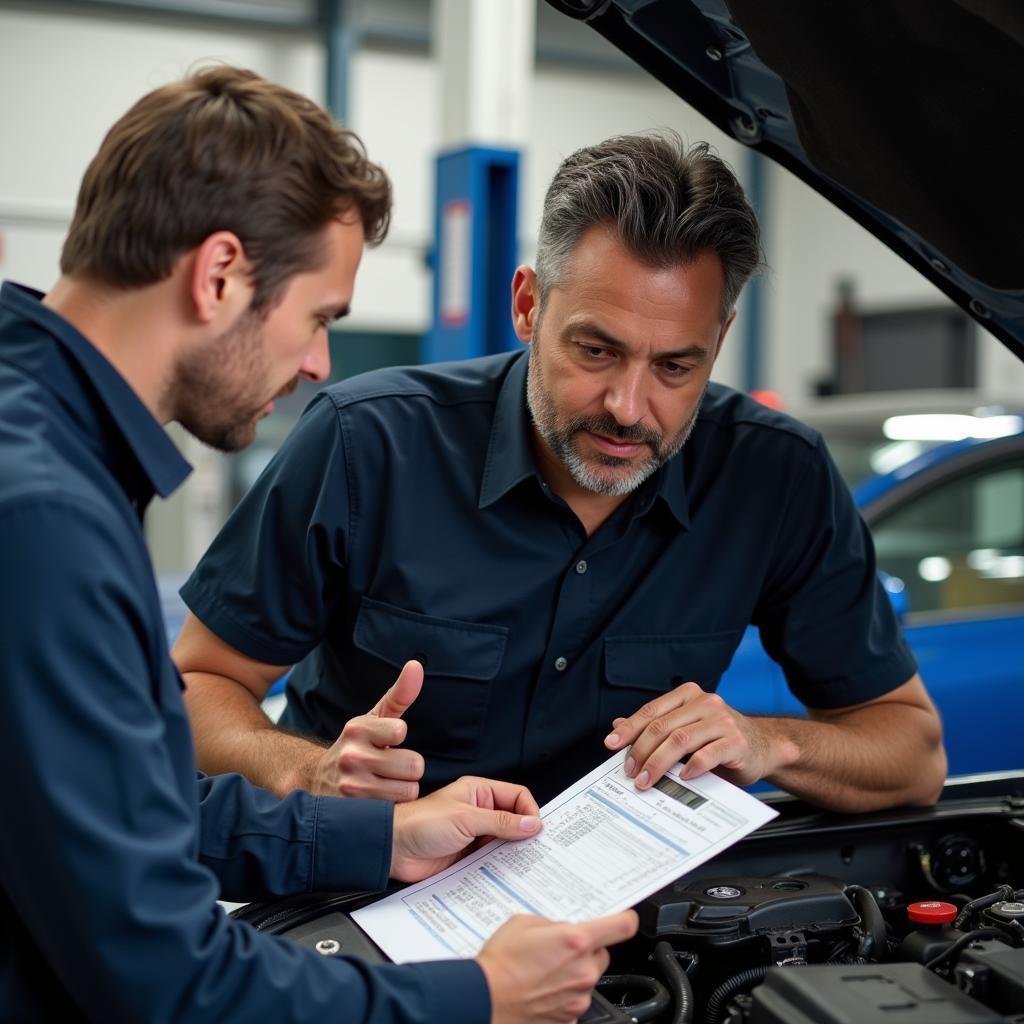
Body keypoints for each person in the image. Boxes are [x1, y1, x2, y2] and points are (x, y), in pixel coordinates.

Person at [0, 66, 639, 1023]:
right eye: (317, 318)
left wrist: (375, 838)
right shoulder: (43, 518)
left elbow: (119, 808)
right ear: (218, 275)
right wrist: (482, 995)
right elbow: (167, 981)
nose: (316, 365)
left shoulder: (39, 444)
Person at [174, 132, 947, 816]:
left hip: (626, 932)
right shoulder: (365, 444)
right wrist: (310, 772)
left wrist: (770, 744)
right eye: (596, 350)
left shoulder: (776, 478)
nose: (627, 407)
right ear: (527, 306)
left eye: (676, 366)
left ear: (719, 343)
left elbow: (910, 752)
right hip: (369, 895)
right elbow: (196, 688)